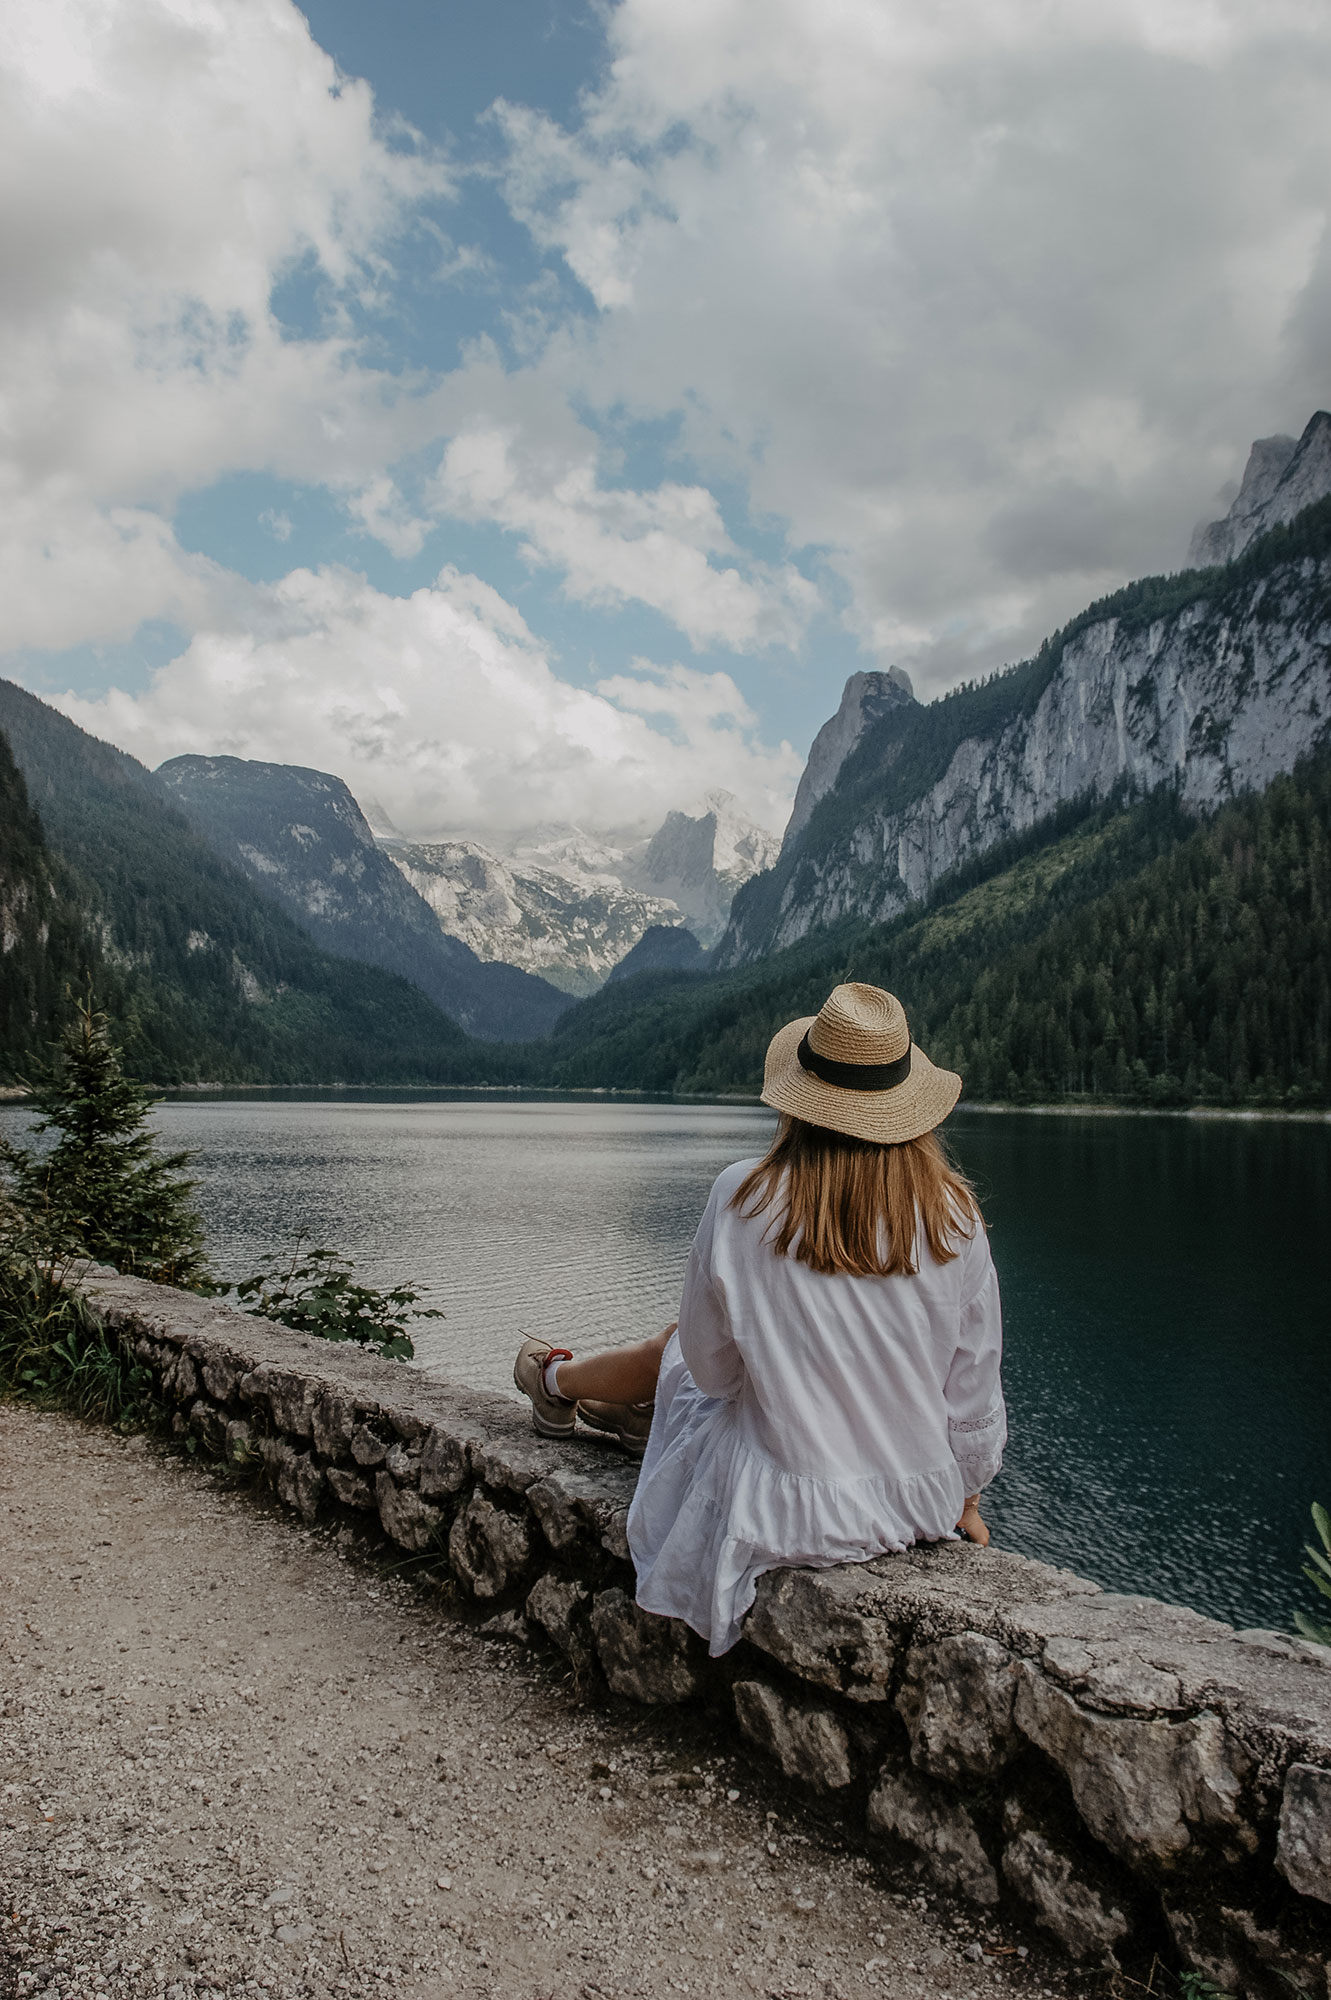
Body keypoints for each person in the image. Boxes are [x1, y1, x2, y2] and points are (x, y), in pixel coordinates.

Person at [513, 982, 1005, 1658]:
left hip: (787, 1508)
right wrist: (965, 1501)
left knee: (677, 1347)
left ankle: (559, 1382)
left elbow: (713, 1374)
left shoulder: (743, 1196)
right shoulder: (955, 1214)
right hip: (914, 1504)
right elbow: (972, 1391)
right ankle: (583, 1392)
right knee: (692, 1350)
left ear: (801, 1098)